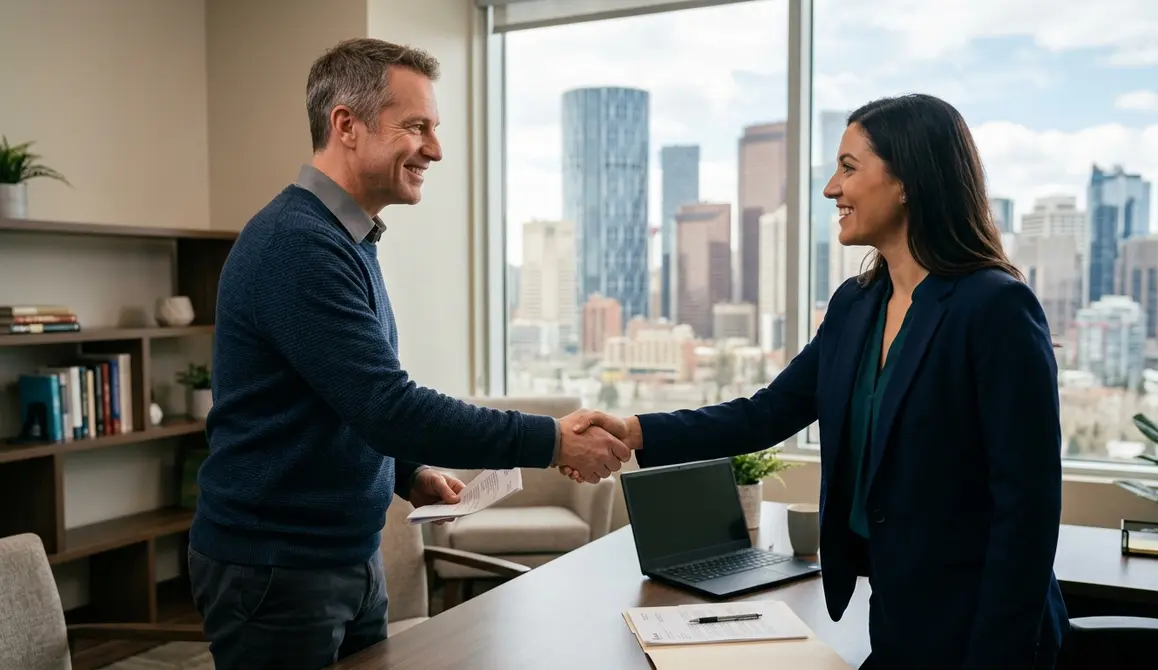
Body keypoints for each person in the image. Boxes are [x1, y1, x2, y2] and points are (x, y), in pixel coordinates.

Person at [565, 94, 1068, 669]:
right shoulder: (856, 305)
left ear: (907, 180)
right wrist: (631, 430)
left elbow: (1026, 510)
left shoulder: (995, 307)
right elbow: (764, 414)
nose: (831, 188)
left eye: (849, 168)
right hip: (898, 621)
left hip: (983, 632)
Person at [187, 38, 630, 670]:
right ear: (346, 124)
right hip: (278, 568)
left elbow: (340, 397)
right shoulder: (298, 245)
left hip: (343, 554)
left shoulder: (344, 238)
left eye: (435, 128)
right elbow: (388, 404)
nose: (436, 148)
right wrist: (553, 441)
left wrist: (406, 471)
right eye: (416, 127)